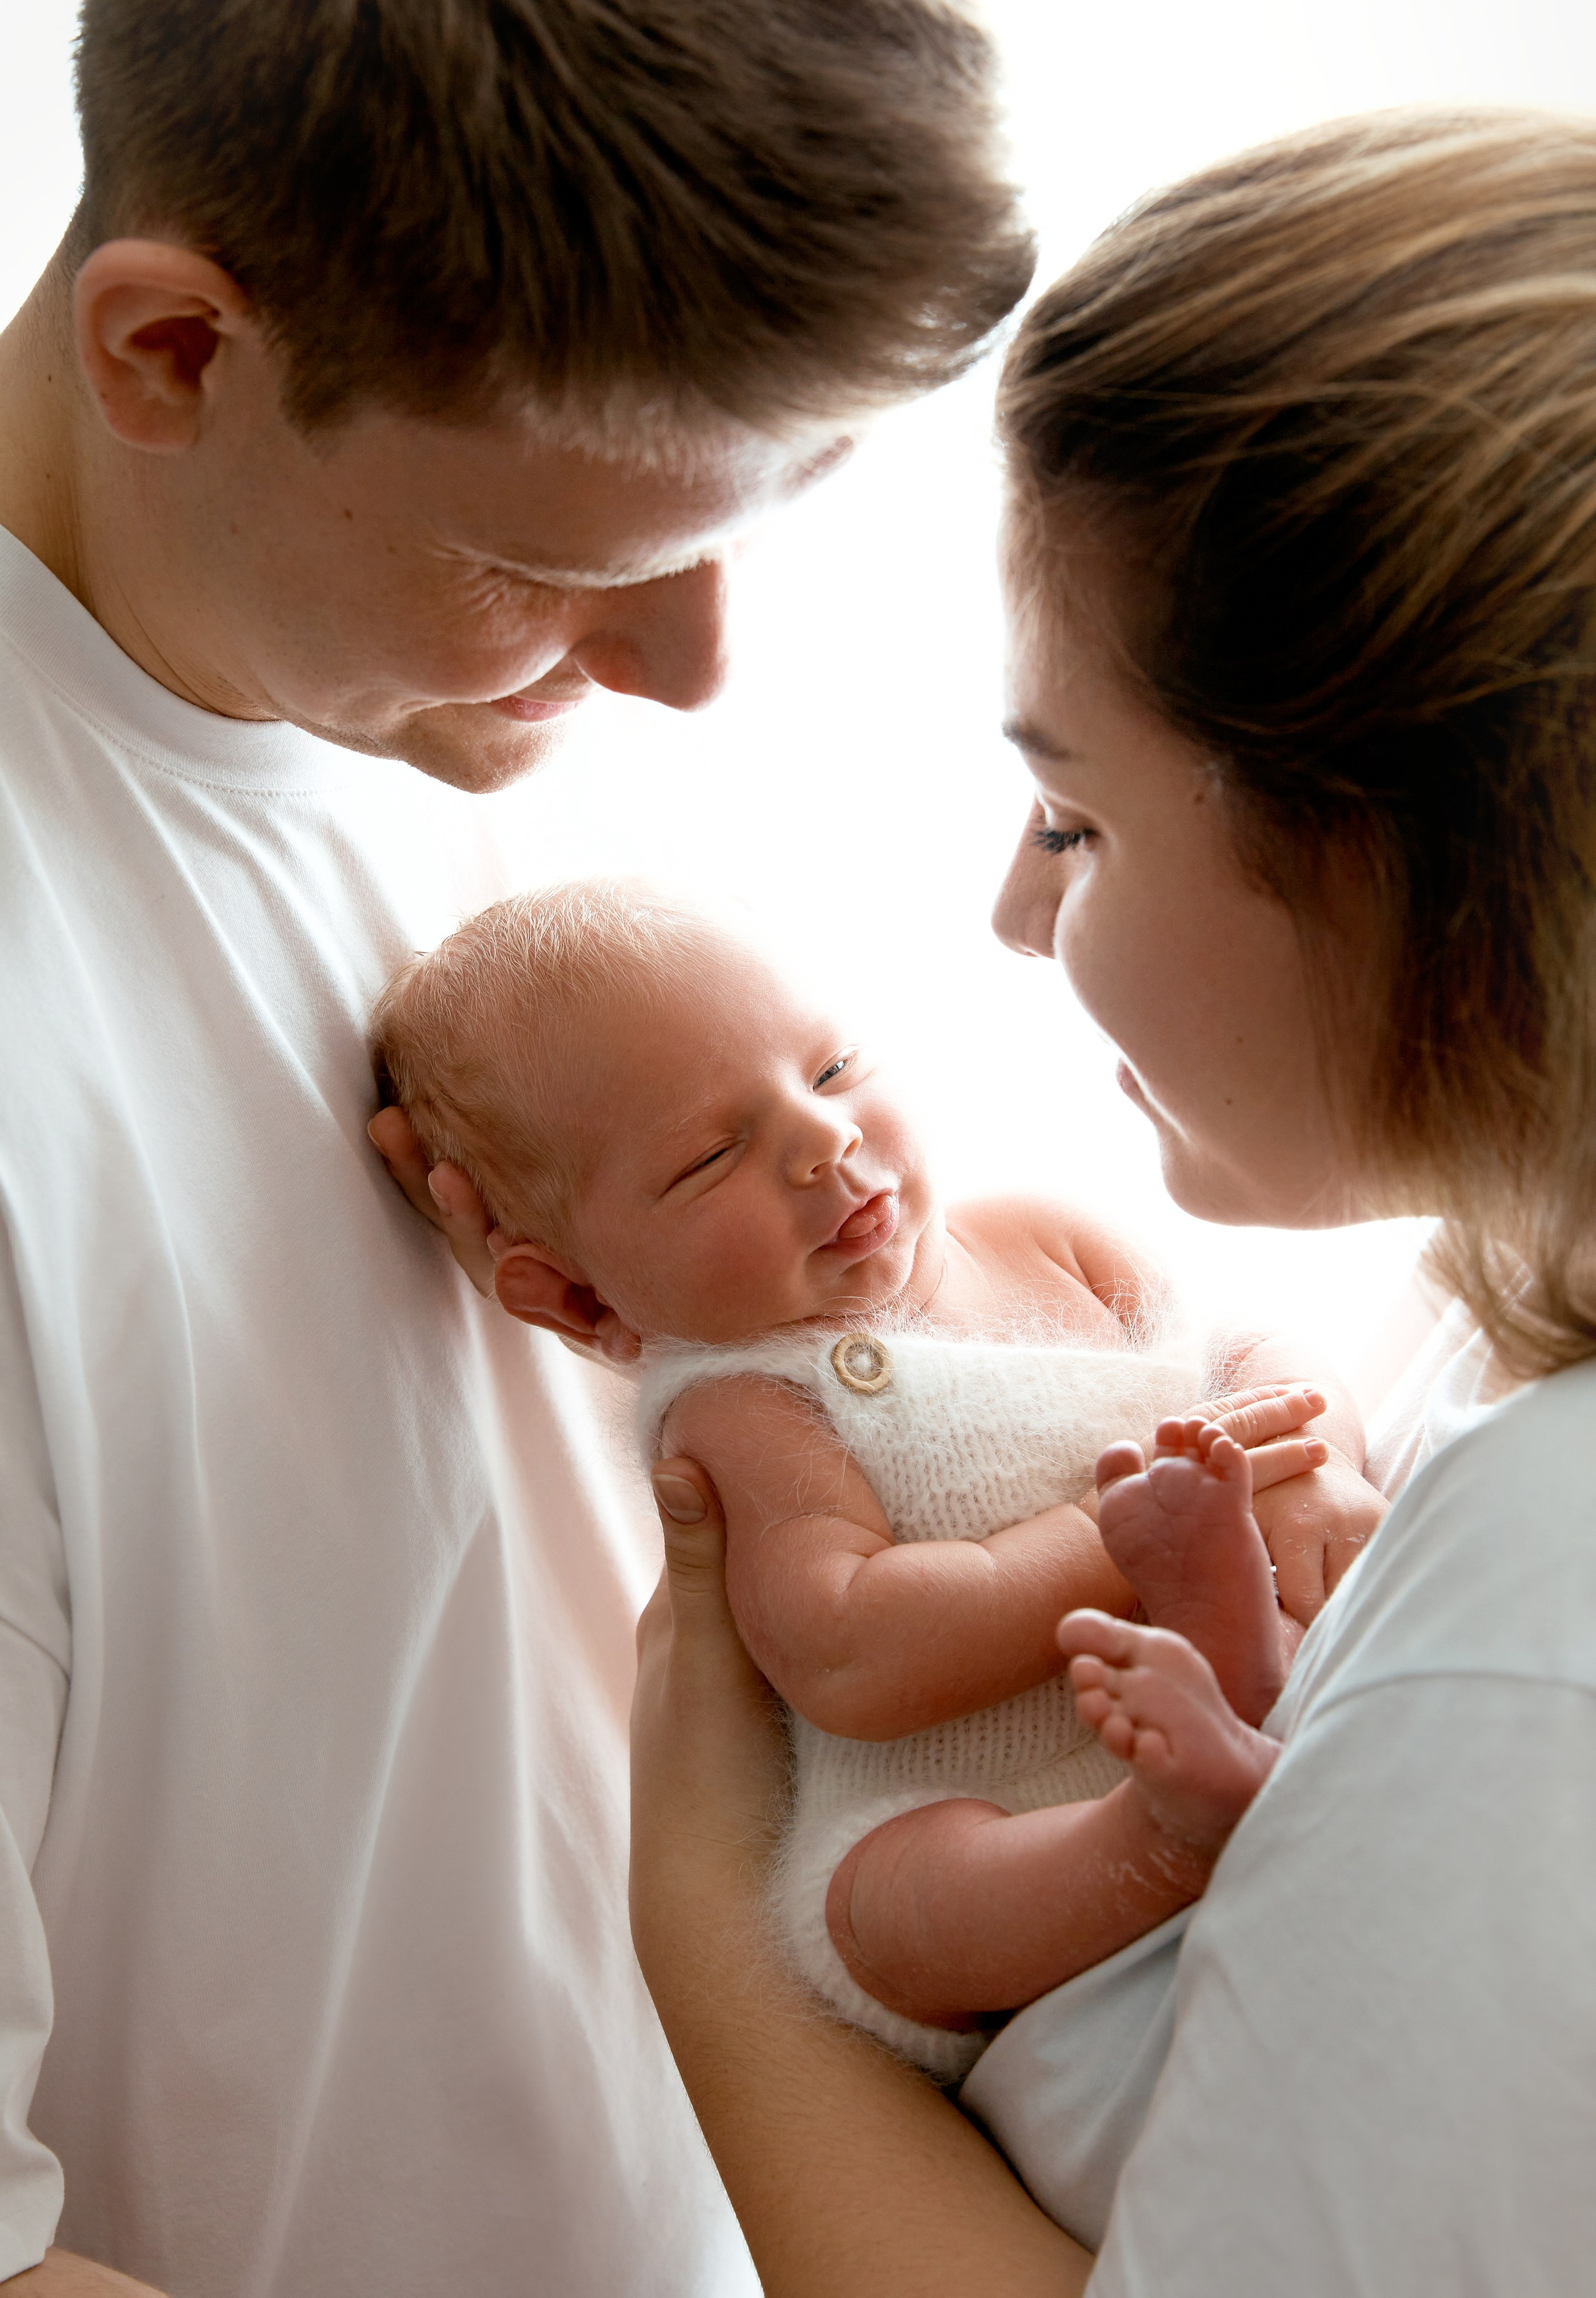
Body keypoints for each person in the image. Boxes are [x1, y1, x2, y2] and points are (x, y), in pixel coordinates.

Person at [0, 0, 1034, 2290]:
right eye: (558, 560)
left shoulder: (433, 706)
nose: (691, 668)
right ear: (175, 353)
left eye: (761, 514)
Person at [620, 105, 1596, 2292]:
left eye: (1074, 823)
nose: (1008, 911)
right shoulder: (1498, 1320)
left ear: (1408, 853)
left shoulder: (1551, 1604)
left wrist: (715, 1946)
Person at [370, 877, 1382, 2082]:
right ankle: (1152, 1834)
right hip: (981, 1807)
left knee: (1319, 1607)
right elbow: (850, 1654)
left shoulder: (1042, 1235)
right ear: (575, 1293)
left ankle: (1229, 1681)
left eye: (834, 1068)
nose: (823, 1139)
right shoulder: (745, 1402)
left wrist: (1312, 1467)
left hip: (1235, 1685)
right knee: (879, 1904)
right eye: (710, 1156)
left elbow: (1259, 1354)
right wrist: (1118, 1536)